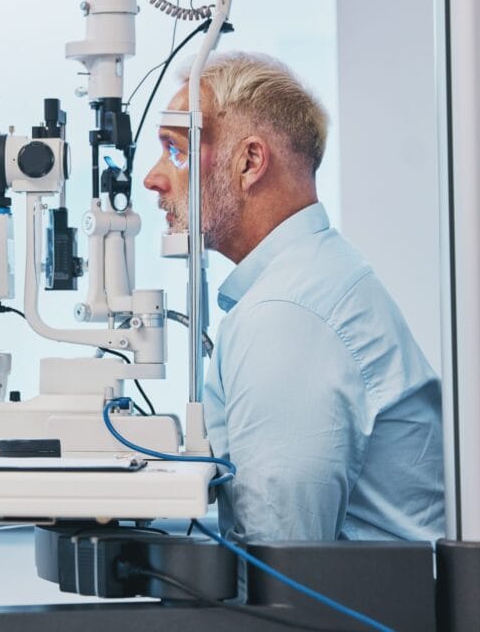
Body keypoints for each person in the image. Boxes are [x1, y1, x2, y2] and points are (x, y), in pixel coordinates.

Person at [143, 52, 445, 546]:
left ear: (249, 162)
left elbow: (283, 572)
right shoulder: (309, 279)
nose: (153, 179)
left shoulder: (287, 315)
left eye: (176, 151)